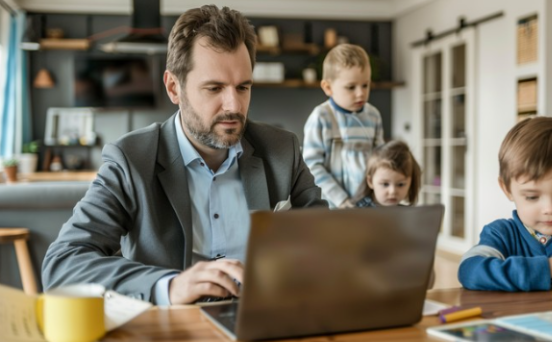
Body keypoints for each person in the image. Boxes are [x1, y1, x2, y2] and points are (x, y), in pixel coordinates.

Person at [42, 5, 326, 305]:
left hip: (266, 321)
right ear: (173, 88)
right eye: (214, 88)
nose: (234, 105)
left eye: (243, 87)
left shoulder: (283, 149)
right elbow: (63, 264)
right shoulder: (131, 160)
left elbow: (327, 242)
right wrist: (170, 286)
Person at [458, 116, 552, 291]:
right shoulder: (502, 234)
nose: (550, 209)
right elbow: (469, 271)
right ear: (507, 189)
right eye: (532, 197)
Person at [303, 43, 385, 209]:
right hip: (332, 207)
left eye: (365, 85)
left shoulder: (373, 115)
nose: (360, 93)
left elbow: (380, 160)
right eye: (351, 87)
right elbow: (311, 166)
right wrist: (340, 199)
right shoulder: (321, 117)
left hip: (369, 205)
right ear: (328, 87)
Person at [351, 140, 421, 207]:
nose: (392, 191)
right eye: (385, 184)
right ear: (370, 181)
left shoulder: (408, 213)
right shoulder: (358, 212)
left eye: (400, 184)